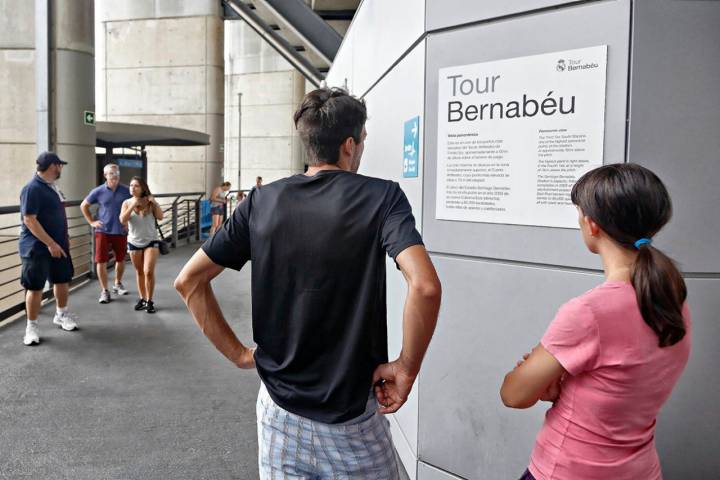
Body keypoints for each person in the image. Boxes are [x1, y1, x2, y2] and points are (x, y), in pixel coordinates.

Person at [175, 88, 442, 479]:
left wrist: (238, 354)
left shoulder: (261, 201)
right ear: (350, 145)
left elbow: (189, 281)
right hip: (352, 421)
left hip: (278, 413)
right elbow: (425, 287)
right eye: (363, 141)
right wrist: (405, 367)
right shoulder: (381, 198)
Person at [500, 163, 691, 480]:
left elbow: (513, 394)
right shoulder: (674, 299)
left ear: (591, 225)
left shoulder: (589, 312)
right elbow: (622, 385)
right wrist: (568, 389)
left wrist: (541, 370)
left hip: (568, 471)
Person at [19, 152, 78, 345]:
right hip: (37, 248)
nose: (61, 168)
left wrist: (60, 242)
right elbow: (29, 219)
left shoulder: (52, 187)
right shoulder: (32, 188)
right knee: (35, 287)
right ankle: (31, 327)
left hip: (59, 245)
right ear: (54, 166)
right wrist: (50, 243)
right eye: (60, 165)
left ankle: (61, 315)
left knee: (62, 280)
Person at [81, 163, 132, 304]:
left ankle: (118, 283)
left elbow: (136, 205)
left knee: (121, 259)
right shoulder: (98, 191)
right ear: (105, 175)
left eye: (116, 173)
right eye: (111, 173)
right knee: (101, 261)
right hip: (103, 230)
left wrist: (129, 222)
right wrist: (92, 222)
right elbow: (83, 206)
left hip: (121, 230)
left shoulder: (127, 191)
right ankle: (105, 291)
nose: (114, 176)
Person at [119, 176, 163, 314]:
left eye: (136, 185)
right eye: (131, 185)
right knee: (139, 272)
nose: (132, 188)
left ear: (143, 187)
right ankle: (142, 298)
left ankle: (150, 301)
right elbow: (122, 220)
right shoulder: (126, 202)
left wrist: (154, 202)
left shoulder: (150, 202)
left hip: (151, 240)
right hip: (134, 241)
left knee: (148, 271)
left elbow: (160, 216)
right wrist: (133, 204)